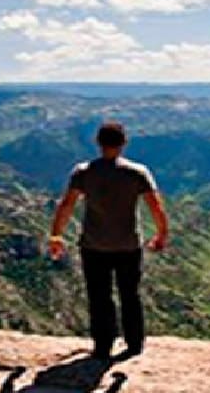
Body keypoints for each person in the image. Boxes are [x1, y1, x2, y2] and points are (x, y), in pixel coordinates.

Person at [48, 121, 169, 360]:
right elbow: (155, 206)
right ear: (124, 143)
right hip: (128, 246)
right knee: (130, 294)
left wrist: (56, 235)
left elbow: (67, 205)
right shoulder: (137, 172)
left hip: (93, 246)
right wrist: (161, 234)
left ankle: (103, 346)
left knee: (99, 296)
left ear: (98, 143)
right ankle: (134, 344)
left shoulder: (83, 172)